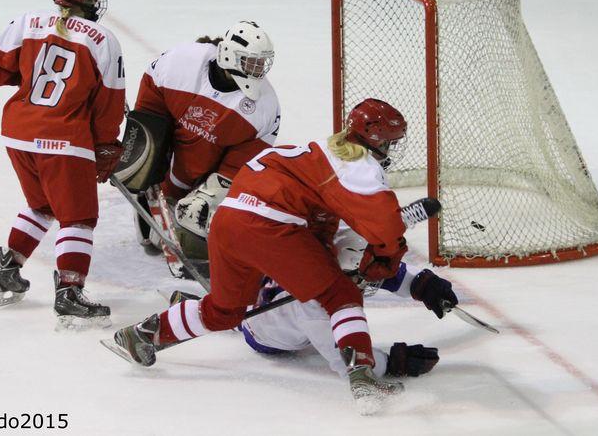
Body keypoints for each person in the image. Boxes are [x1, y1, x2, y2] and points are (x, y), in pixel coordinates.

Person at [107, 99, 428, 414]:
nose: (392, 148)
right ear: (375, 138)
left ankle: (142, 335)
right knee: (339, 294)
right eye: (390, 141)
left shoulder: (315, 150)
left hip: (229, 220)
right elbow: (384, 226)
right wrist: (385, 259)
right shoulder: (361, 164)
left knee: (225, 311)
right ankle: (363, 377)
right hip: (270, 224)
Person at [0, 0, 125, 329]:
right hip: (64, 139)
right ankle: (70, 293)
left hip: (18, 133)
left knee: (41, 205)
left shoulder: (27, 22)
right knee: (78, 218)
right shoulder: (103, 39)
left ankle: (9, 269)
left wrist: (23, 73)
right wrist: (105, 145)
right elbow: (109, 103)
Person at [129, 21, 280, 274]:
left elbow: (241, 164)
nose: (258, 70)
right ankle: (148, 198)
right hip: (177, 133)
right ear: (230, 57)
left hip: (206, 163)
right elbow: (152, 94)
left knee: (197, 221)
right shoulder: (182, 63)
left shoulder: (264, 107)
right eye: (251, 62)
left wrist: (210, 195)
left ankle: (180, 205)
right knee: (141, 170)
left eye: (260, 63)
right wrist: (144, 148)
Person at [237, 225, 457, 380]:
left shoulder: (332, 257)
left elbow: (370, 266)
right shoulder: (315, 307)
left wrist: (423, 283)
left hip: (267, 287)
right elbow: (347, 361)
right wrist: (394, 362)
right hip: (264, 336)